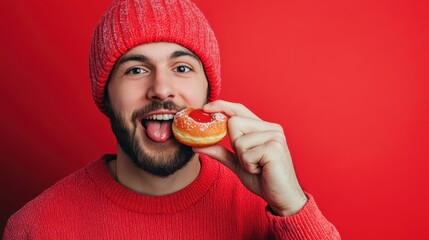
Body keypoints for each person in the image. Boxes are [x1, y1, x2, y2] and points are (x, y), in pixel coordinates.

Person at [3, 0, 340, 239]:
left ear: (209, 94)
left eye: (181, 68)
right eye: (136, 69)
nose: (161, 88)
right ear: (105, 94)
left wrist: (293, 206)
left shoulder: (269, 213)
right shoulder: (36, 227)